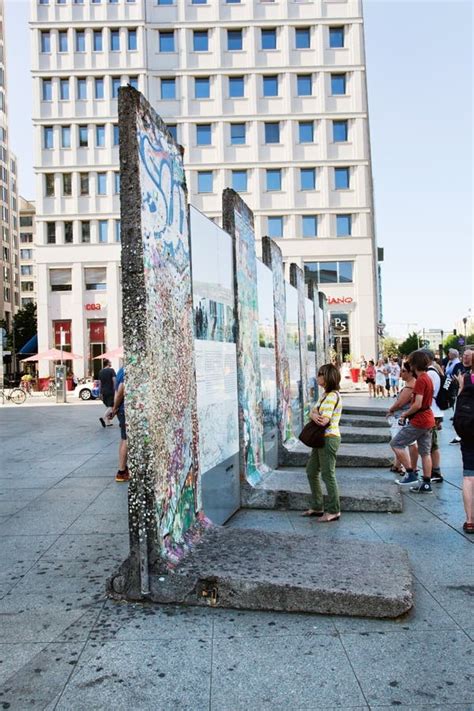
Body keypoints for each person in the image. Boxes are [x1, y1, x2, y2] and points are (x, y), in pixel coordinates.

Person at [302, 363, 342, 522]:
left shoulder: (332, 396)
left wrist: (313, 414)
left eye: (320, 374)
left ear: (327, 377)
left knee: (328, 475)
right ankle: (317, 506)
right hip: (321, 439)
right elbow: (313, 412)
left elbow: (323, 420)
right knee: (311, 471)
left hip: (328, 438)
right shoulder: (325, 395)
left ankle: (334, 510)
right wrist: (313, 414)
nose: (317, 377)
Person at [392, 349, 435, 493]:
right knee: (425, 453)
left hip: (420, 419)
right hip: (428, 418)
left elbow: (417, 404)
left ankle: (410, 473)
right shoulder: (427, 377)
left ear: (415, 364)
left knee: (396, 443)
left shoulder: (421, 380)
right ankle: (427, 484)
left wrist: (405, 414)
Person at [386, 362, 418, 474]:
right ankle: (399, 465)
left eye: (404, 371)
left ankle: (408, 468)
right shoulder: (412, 384)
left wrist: (390, 410)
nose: (401, 373)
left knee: (398, 443)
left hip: (402, 418)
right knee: (409, 443)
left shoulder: (410, 386)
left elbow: (400, 403)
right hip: (405, 417)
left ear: (410, 372)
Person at [454, 371, 474, 533]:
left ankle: (470, 521)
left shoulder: (466, 383)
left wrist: (461, 386)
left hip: (468, 435)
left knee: (469, 477)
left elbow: (458, 411)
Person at [108, 366, 129, 483]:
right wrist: (115, 407)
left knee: (123, 438)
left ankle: (123, 469)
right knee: (126, 439)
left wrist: (115, 409)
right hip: (125, 409)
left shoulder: (121, 370)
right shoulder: (129, 368)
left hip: (121, 409)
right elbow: (121, 389)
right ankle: (121, 472)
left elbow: (116, 391)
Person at [449, 349, 472, 444]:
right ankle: (459, 435)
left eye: (468, 355)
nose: (465, 357)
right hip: (458, 393)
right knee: (458, 414)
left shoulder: (472, 369)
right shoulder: (458, 366)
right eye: (464, 355)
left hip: (468, 396)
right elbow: (450, 377)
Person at [97, 359, 116, 428]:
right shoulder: (111, 370)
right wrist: (115, 389)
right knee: (111, 406)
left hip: (103, 391)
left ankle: (108, 422)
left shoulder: (100, 371)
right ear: (108, 363)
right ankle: (103, 418)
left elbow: (100, 383)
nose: (111, 363)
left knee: (108, 406)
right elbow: (114, 380)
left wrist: (100, 392)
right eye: (110, 362)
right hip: (110, 390)